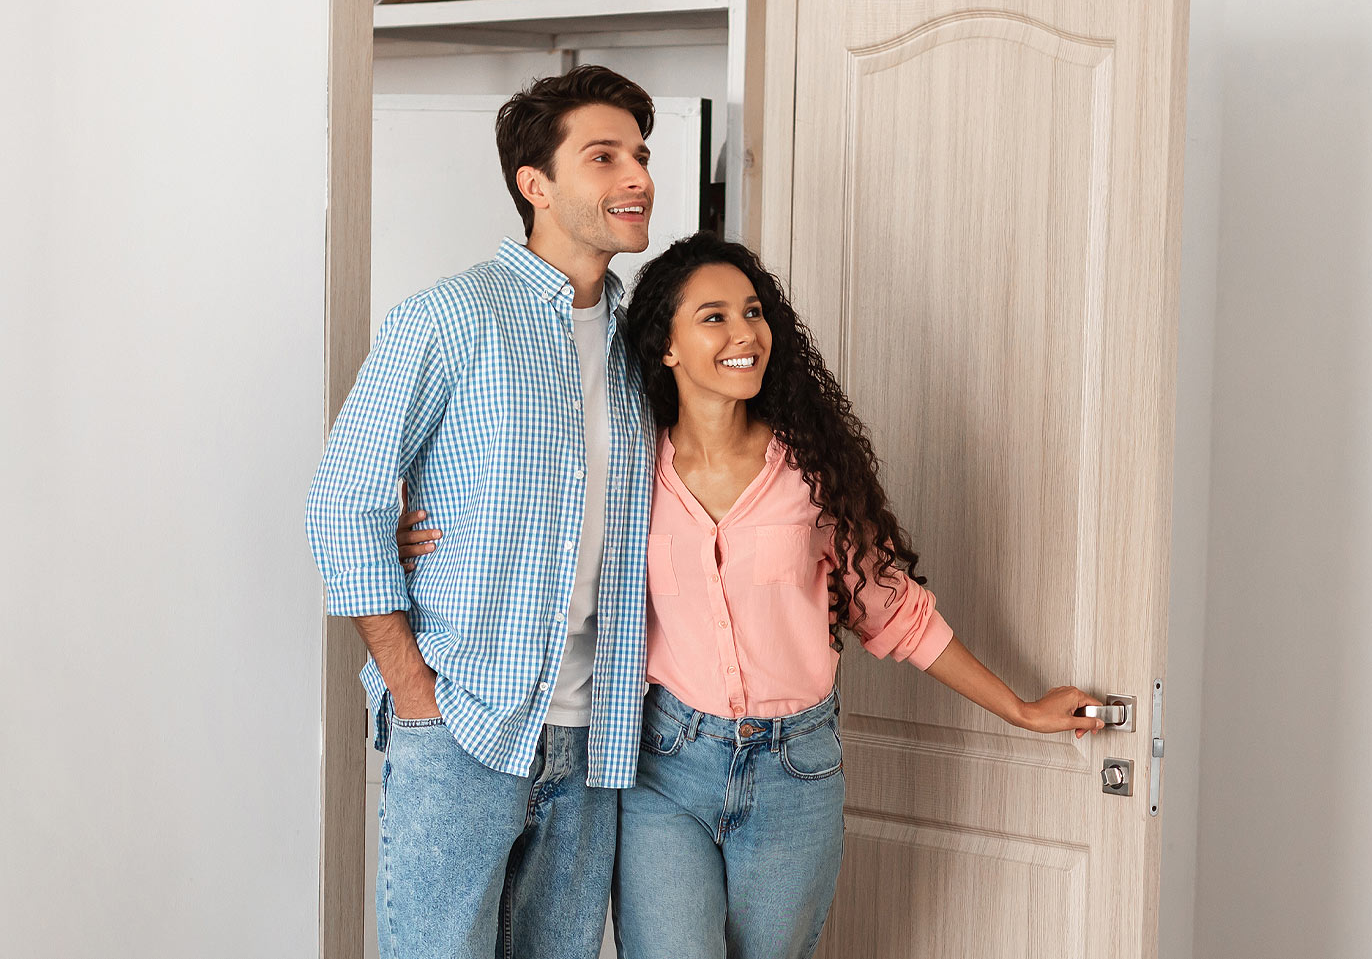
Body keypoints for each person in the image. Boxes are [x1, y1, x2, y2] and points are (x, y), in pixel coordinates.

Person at [394, 232, 1106, 959]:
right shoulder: (631, 469)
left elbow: (897, 612)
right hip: (663, 764)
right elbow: (537, 532)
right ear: (665, 345)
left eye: (753, 312)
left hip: (794, 768)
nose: (744, 333)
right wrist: (407, 531)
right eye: (713, 316)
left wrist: (1019, 707)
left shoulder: (810, 470)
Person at [308, 64, 661, 959]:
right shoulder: (448, 318)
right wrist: (411, 688)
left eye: (642, 155)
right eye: (605, 156)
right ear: (533, 185)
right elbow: (343, 499)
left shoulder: (643, 346)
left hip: (597, 732)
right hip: (461, 716)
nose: (638, 178)